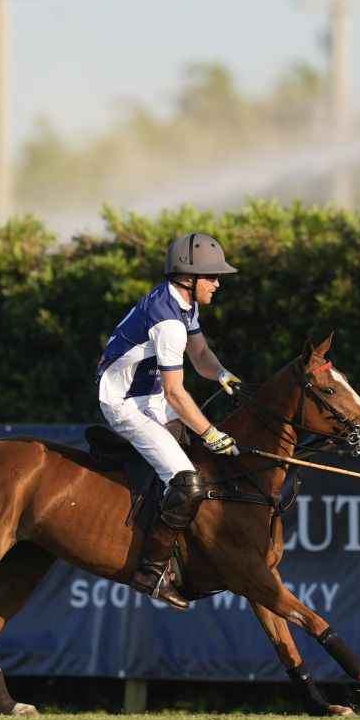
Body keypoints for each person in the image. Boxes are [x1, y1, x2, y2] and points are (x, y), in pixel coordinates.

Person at [95, 232, 244, 611]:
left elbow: (201, 355)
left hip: (150, 396)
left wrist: (222, 373)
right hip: (125, 402)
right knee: (187, 480)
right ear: (188, 277)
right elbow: (178, 393)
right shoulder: (169, 322)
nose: (218, 283)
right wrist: (211, 433)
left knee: (200, 455)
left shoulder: (183, 304)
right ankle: (152, 572)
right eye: (211, 276)